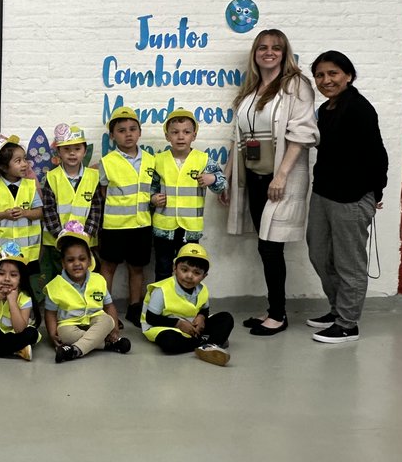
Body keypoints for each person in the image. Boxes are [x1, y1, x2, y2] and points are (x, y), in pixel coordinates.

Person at [220, 30, 319, 336]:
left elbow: (302, 134)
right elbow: (240, 139)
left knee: (271, 246)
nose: (269, 52)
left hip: (278, 179)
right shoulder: (250, 91)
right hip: (253, 177)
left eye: (276, 48)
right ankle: (272, 309)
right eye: (262, 47)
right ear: (255, 53)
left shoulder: (295, 85)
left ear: (284, 52)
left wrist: (282, 175)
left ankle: (278, 314)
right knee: (265, 247)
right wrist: (228, 177)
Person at [306, 51, 388, 344]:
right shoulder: (326, 109)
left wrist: (374, 193)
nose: (326, 80)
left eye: (333, 73)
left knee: (348, 262)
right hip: (323, 193)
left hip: (351, 198)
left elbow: (378, 155)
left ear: (348, 76)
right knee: (319, 253)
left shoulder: (359, 109)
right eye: (320, 75)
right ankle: (336, 309)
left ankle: (348, 323)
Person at [149, 109, 226, 282]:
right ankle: (161, 306)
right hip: (163, 228)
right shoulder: (158, 160)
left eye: (186, 132)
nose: (181, 137)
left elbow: (222, 184)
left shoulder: (204, 160)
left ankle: (185, 305)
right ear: (167, 136)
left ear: (194, 135)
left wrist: (212, 178)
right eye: (175, 132)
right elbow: (150, 187)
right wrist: (153, 198)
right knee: (162, 269)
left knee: (189, 271)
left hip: (190, 229)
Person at [96, 107, 153, 327]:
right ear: (112, 135)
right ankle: (104, 309)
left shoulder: (150, 160)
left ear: (139, 132)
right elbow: (103, 192)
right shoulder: (107, 162)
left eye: (132, 129)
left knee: (137, 268)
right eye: (121, 130)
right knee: (108, 267)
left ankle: (134, 308)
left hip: (141, 225)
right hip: (115, 226)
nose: (127, 134)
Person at [45, 221, 131, 363]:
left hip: (95, 318)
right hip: (69, 323)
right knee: (64, 334)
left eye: (82, 259)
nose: (77, 264)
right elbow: (50, 313)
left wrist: (114, 328)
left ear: (90, 261)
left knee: (107, 321)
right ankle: (107, 344)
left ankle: (75, 350)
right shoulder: (54, 286)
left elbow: (109, 306)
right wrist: (52, 334)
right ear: (63, 263)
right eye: (70, 260)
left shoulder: (99, 280)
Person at [141, 243, 234, 367]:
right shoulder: (161, 290)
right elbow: (151, 319)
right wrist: (178, 323)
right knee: (168, 342)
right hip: (165, 326)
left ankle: (207, 344)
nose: (189, 276)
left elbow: (205, 310)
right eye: (184, 270)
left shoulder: (202, 289)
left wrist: (201, 318)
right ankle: (209, 343)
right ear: (174, 268)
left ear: (204, 276)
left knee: (226, 318)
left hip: (193, 328)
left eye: (196, 273)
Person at [41, 123, 104, 285]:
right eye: (66, 149)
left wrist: (87, 234)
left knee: (86, 279)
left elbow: (96, 210)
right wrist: (61, 235)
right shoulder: (52, 177)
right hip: (57, 242)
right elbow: (49, 211)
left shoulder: (93, 176)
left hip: (86, 241)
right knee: (58, 280)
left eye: (77, 149)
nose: (72, 153)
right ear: (59, 152)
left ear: (84, 151)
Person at [0, 134, 43, 276]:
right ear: (3, 167)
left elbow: (39, 212)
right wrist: (3, 215)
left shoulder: (30, 186)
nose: (25, 164)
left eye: (25, 159)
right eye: (18, 161)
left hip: (25, 252)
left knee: (24, 285)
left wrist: (25, 213)